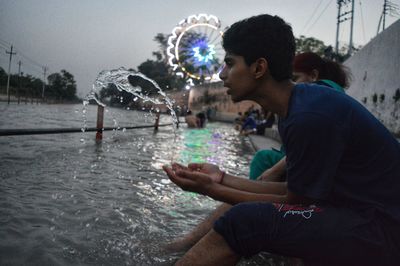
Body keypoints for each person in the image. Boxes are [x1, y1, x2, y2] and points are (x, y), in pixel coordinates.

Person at [163, 14, 400, 265]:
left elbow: (294, 203)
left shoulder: (309, 116)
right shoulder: (296, 107)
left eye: (230, 63)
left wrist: (210, 189)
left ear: (259, 68)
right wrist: (220, 179)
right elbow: (293, 192)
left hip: (382, 229)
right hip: (360, 215)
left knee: (244, 221)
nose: (222, 74)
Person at [250, 51, 351, 180]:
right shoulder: (329, 93)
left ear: (314, 75)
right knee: (265, 157)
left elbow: (314, 143)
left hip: (326, 169)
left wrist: (274, 172)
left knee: (262, 159)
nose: (290, 86)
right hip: (319, 164)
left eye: (295, 79)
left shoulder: (323, 94)